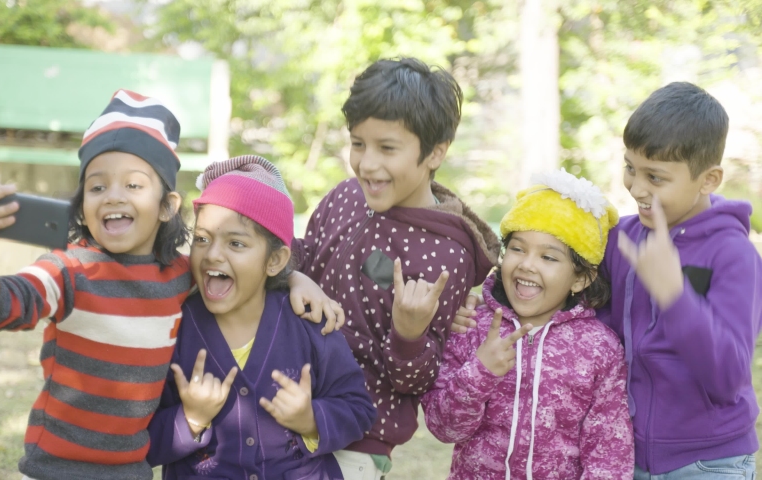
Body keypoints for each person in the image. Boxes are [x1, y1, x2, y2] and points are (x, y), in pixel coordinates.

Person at [0, 91, 341, 480]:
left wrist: (293, 276)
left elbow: (241, 271)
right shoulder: (67, 270)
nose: (114, 196)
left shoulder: (177, 275)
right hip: (55, 467)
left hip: (130, 470)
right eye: (97, 187)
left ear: (167, 206)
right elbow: (2, 307)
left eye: (134, 185)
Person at [292, 57, 500, 479]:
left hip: (357, 440)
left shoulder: (446, 255)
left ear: (435, 152)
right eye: (358, 143)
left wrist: (409, 333)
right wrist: (288, 269)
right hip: (288, 407)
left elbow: (415, 381)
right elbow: (306, 258)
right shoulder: (346, 197)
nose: (367, 164)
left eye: (387, 148)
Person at [147, 155, 376, 479]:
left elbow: (359, 410)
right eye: (201, 239)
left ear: (275, 260)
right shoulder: (175, 329)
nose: (212, 253)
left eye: (236, 243)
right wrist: (190, 419)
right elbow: (139, 440)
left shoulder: (309, 323)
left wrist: (310, 419)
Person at [422, 168, 633, 479]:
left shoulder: (600, 348)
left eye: (549, 258)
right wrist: (480, 372)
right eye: (517, 249)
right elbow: (444, 427)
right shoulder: (471, 327)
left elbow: (609, 454)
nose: (527, 264)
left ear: (581, 278)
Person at [601, 81, 762, 478]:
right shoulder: (620, 239)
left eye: (655, 177)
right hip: (625, 453)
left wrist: (674, 294)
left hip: (710, 461)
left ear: (708, 180)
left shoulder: (734, 255)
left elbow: (727, 377)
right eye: (630, 168)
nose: (636, 188)